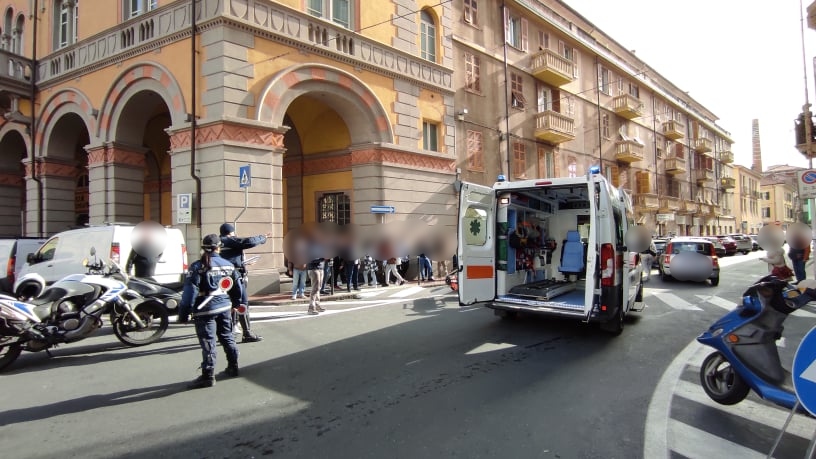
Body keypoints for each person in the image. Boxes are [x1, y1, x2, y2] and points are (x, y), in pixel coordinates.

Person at [178, 234, 242, 389]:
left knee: (208, 342)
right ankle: (233, 366)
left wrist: (184, 313)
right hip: (224, 307)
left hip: (204, 310)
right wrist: (236, 303)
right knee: (227, 337)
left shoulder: (197, 266)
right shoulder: (228, 265)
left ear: (203, 248)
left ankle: (208, 375)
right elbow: (237, 287)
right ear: (219, 247)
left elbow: (189, 293)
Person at [219, 223, 271, 343]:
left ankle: (229, 331)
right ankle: (246, 333)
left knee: (229, 304)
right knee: (242, 303)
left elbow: (230, 258)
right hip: (234, 277)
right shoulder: (228, 240)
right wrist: (263, 237)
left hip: (222, 278)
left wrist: (244, 263)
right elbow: (248, 242)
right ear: (230, 232)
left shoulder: (218, 242)